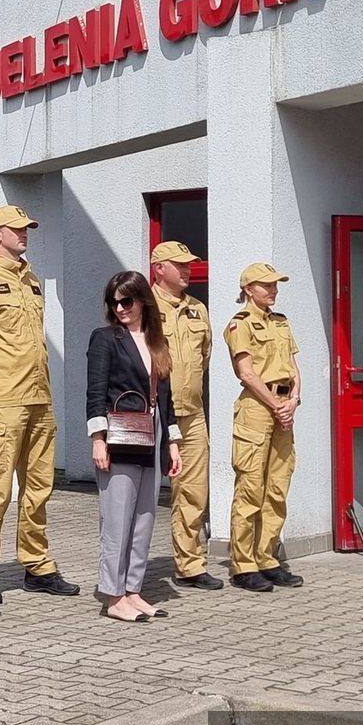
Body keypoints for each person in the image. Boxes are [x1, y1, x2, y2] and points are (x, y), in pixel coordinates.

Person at [0, 204, 78, 605]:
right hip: (3, 401)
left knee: (39, 487)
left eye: (27, 228)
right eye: (17, 229)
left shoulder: (30, 280)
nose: (24, 233)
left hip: (38, 398)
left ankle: (36, 564)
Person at [86, 271, 183, 622]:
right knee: (116, 519)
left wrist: (173, 442)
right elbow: (95, 391)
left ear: (143, 300)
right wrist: (98, 440)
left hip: (152, 433)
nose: (120, 308)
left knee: (144, 516)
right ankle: (112, 597)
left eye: (126, 300)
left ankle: (133, 590)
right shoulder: (106, 338)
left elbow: (166, 397)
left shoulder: (158, 341)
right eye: (114, 302)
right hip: (120, 434)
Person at [225, 263, 303, 592]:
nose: (273, 290)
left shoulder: (281, 322)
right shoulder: (240, 324)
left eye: (275, 285)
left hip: (284, 407)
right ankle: (244, 564)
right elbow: (246, 373)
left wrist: (294, 401)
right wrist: (275, 405)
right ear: (248, 289)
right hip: (257, 408)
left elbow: (294, 367)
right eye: (266, 285)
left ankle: (267, 557)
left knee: (277, 486)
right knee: (250, 488)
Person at [149, 241, 221, 591]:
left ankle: (190, 565)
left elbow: (203, 358)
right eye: (179, 264)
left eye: (189, 263)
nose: (188, 269)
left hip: (190, 414)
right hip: (152, 414)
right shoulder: (142, 306)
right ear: (159, 268)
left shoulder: (197, 309)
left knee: (193, 491)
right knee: (137, 494)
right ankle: (128, 571)